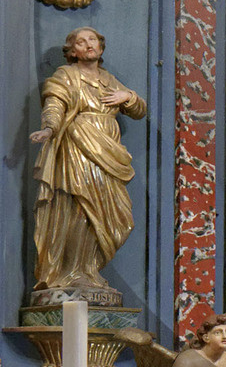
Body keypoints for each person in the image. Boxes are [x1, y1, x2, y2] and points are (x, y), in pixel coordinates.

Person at [28, 26, 146, 302]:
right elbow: (55, 104)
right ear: (72, 51)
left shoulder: (109, 80)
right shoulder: (66, 75)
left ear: (101, 46)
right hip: (78, 146)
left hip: (108, 151)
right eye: (81, 42)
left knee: (114, 213)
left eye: (92, 40)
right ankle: (72, 272)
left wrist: (128, 97)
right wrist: (49, 128)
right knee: (80, 208)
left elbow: (139, 111)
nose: (88, 44)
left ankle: (90, 269)